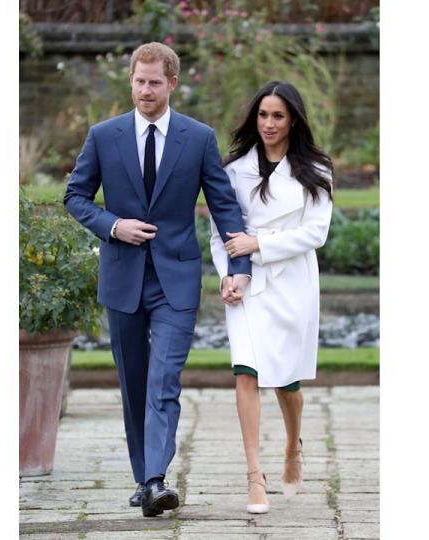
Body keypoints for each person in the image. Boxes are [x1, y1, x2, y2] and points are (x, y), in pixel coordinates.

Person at [64, 42, 252, 518]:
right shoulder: (104, 136)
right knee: (134, 382)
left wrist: (240, 267)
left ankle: (155, 480)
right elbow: (75, 195)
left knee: (164, 379)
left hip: (176, 279)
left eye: (154, 82)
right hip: (123, 276)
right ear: (131, 80)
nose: (145, 90)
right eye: (138, 81)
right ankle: (142, 475)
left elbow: (224, 207)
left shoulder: (198, 137)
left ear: (172, 83)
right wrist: (113, 225)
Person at [209, 81, 334, 514]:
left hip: (292, 282)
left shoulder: (316, 170)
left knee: (285, 382)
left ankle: (293, 446)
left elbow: (315, 233)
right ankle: (254, 477)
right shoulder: (233, 169)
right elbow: (220, 232)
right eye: (263, 115)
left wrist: (258, 243)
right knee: (246, 372)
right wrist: (229, 275)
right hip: (248, 285)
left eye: (278, 116)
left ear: (293, 119)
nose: (268, 124)